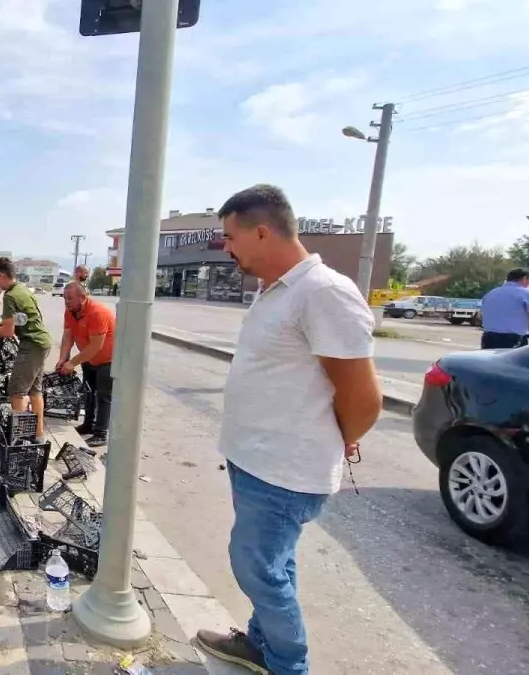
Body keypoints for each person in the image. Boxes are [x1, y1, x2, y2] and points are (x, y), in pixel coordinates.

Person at [194, 185, 382, 675]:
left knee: (256, 567)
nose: (226, 247)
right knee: (275, 565)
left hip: (284, 469)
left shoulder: (324, 292)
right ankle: (262, 644)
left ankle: (287, 665)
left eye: (230, 237)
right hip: (253, 458)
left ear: (261, 232)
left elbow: (364, 398)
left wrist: (338, 436)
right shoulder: (277, 289)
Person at [0, 257, 54, 439]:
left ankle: (18, 438)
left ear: (2, 275)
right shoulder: (22, 289)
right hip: (42, 343)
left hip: (31, 344)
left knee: (17, 392)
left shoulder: (10, 296)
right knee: (35, 390)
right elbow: (20, 320)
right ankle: (38, 435)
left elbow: (8, 332)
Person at [55, 282, 114, 446]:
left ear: (82, 297)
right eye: (65, 298)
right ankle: (88, 424)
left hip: (108, 359)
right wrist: (63, 358)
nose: (66, 302)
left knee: (103, 396)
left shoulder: (97, 312)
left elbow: (96, 346)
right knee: (88, 392)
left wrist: (72, 363)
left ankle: (101, 433)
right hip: (88, 358)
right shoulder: (70, 312)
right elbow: (68, 336)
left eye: (70, 298)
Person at [479, 268, 529, 349]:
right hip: (513, 339)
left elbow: (483, 313)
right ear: (525, 278)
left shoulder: (491, 293)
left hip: (488, 338)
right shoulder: (526, 293)